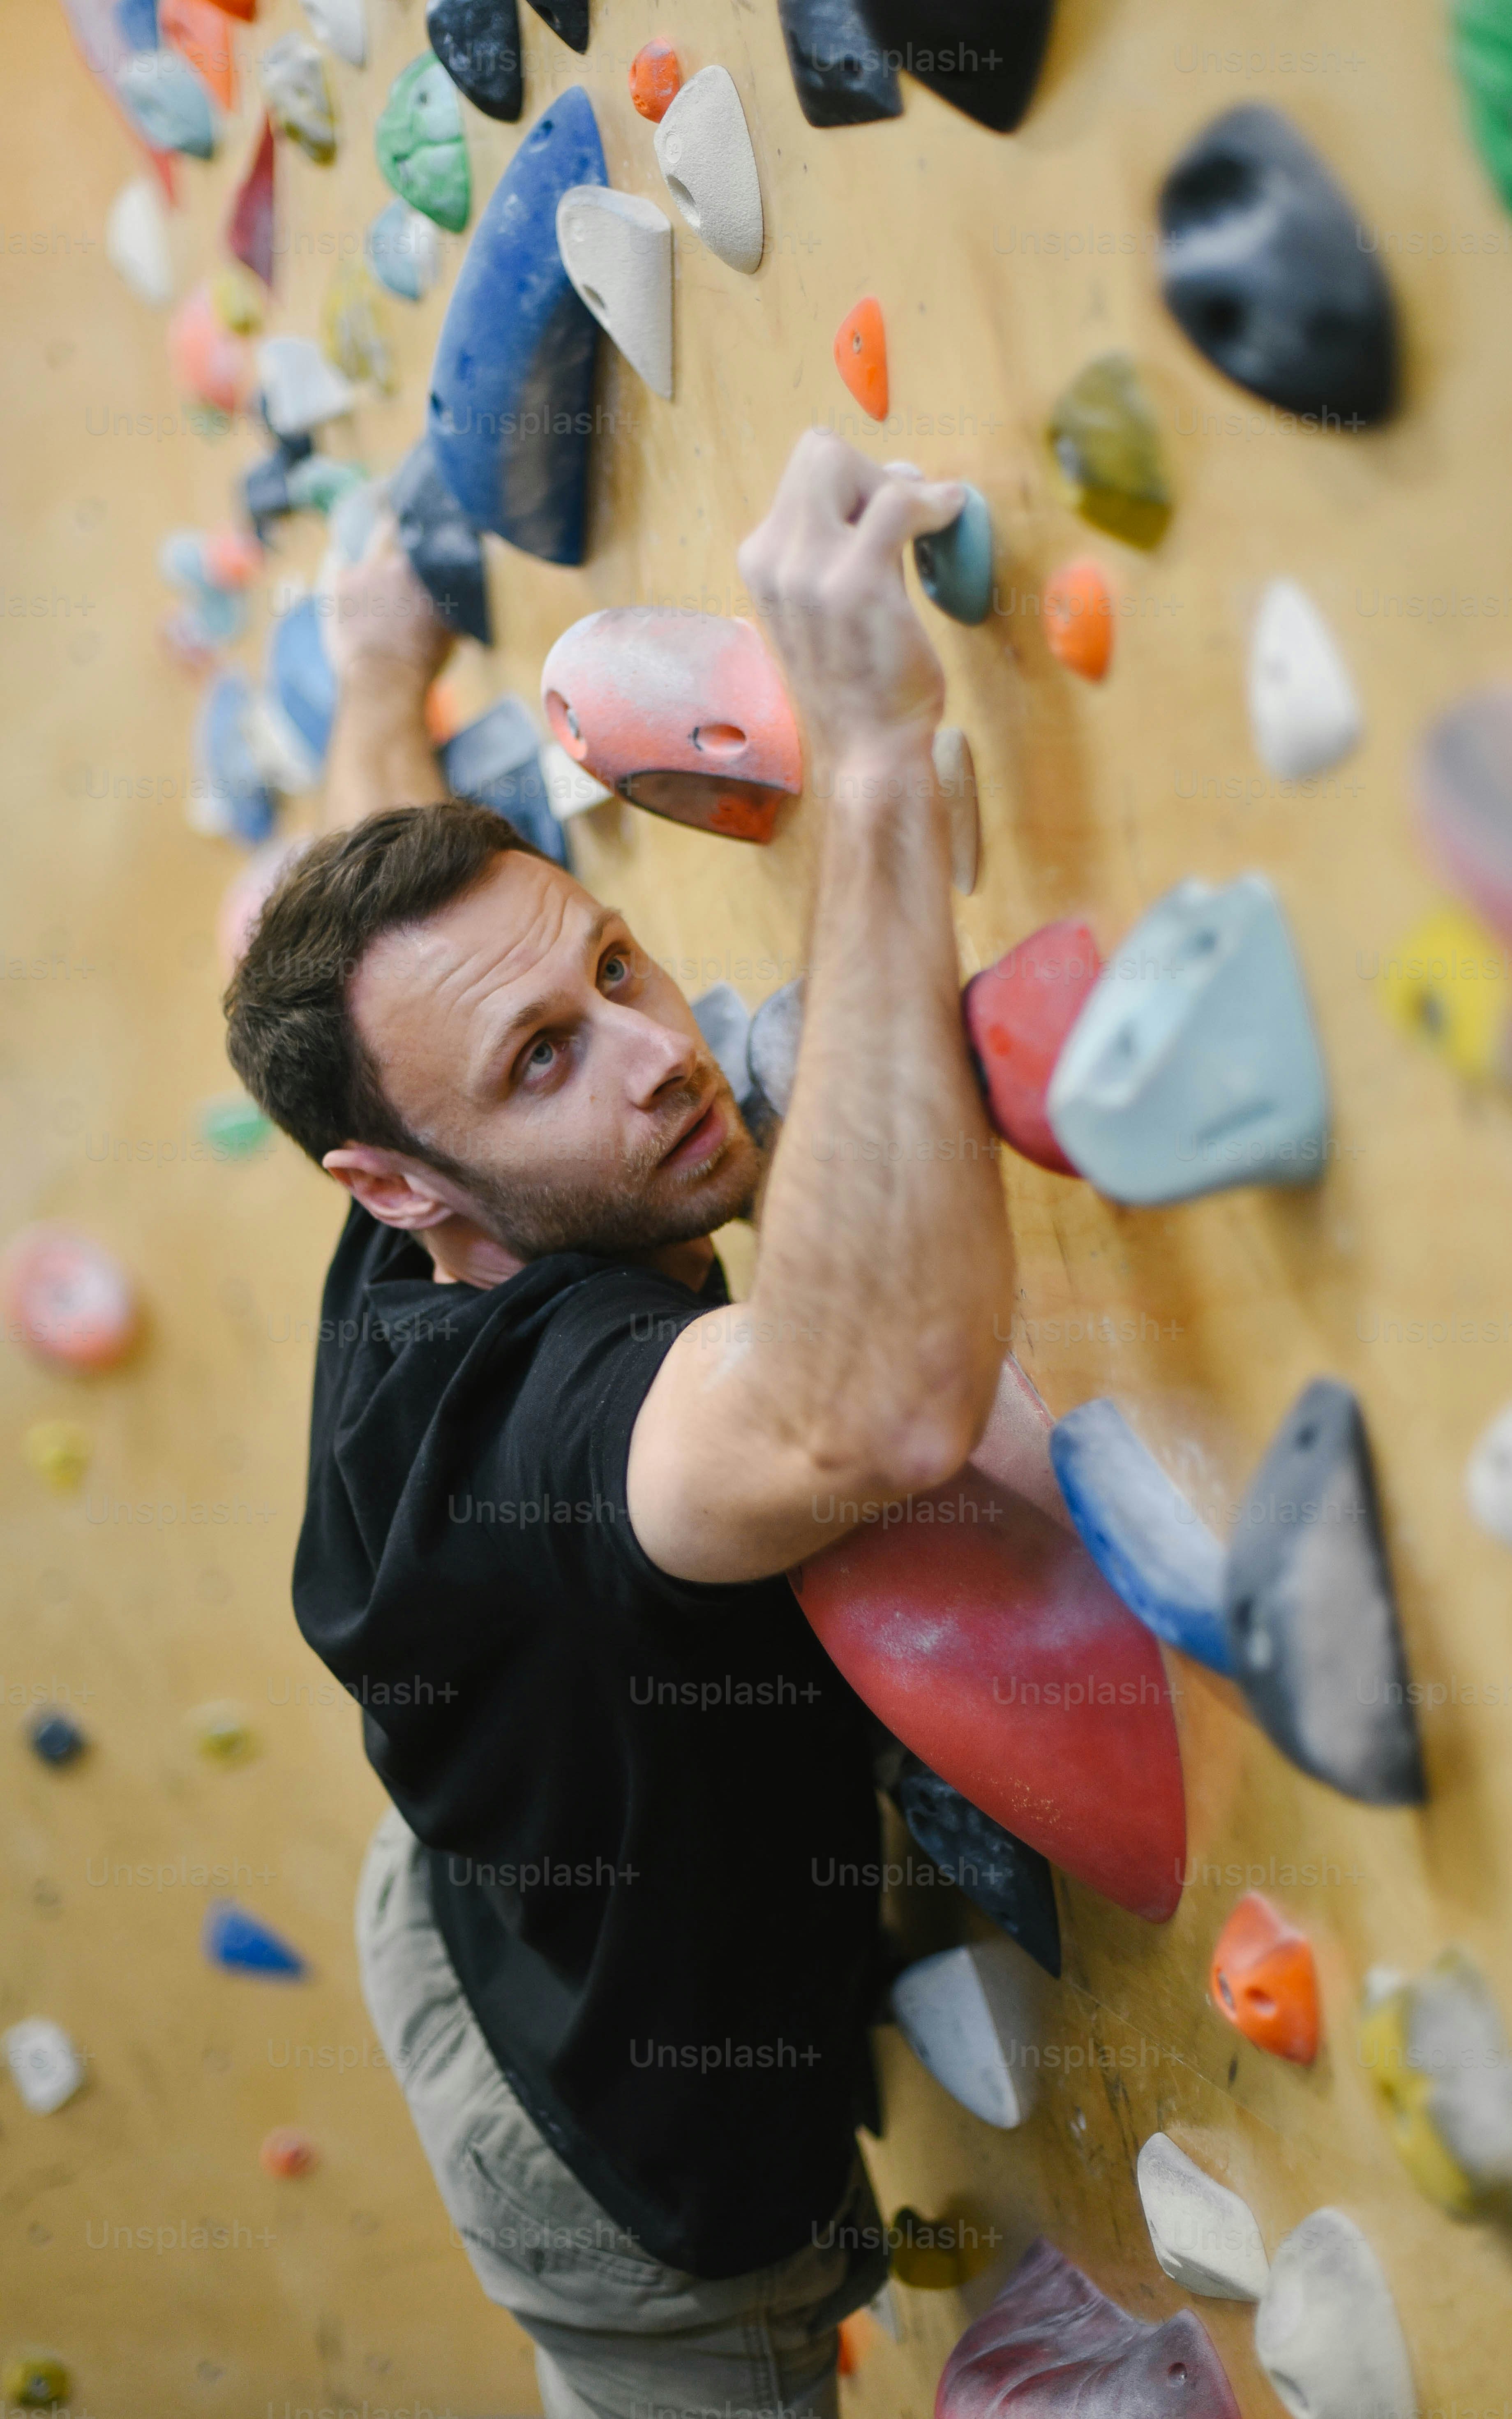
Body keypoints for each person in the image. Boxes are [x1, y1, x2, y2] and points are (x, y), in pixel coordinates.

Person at [223, 432, 1015, 2419]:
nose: (663, 1056)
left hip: (465, 1898)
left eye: (611, 958)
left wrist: (376, 674)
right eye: (552, 1057)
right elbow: (872, 1399)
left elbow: (402, 952)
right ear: (400, 1182)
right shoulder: (561, 1425)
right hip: (614, 2172)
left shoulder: (421, 1160)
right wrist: (871, 758)